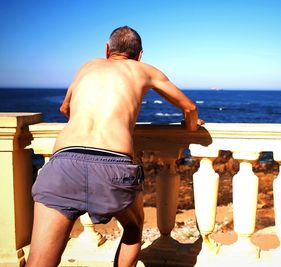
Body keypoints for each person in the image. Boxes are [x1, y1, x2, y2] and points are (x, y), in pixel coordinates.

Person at [26, 26, 203, 267]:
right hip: (113, 165)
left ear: (107, 50)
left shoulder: (88, 65)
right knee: (133, 227)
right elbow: (190, 108)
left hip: (64, 162)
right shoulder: (145, 70)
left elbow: (64, 108)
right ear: (139, 55)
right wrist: (191, 127)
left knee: (39, 262)